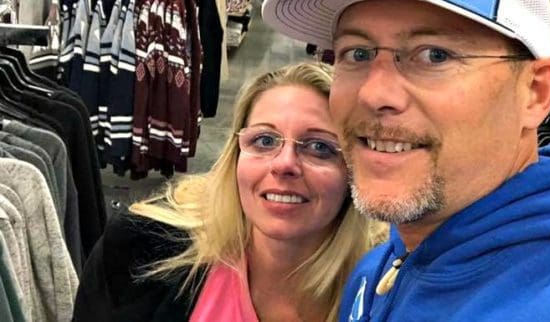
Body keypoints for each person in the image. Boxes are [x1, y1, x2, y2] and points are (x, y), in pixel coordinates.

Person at [262, 0, 550, 321]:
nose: (374, 93)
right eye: (357, 53)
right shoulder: (382, 267)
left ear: (536, 92)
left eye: (434, 55)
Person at [72, 62, 381, 322]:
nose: (285, 164)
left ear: (353, 172)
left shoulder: (386, 291)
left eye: (319, 147)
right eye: (264, 141)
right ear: (235, 156)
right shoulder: (140, 252)